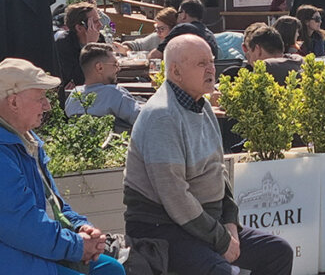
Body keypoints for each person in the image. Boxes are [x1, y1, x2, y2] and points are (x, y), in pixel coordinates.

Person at [124, 34, 294, 275]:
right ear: (176, 71)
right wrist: (222, 240)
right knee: (219, 271)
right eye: (201, 64)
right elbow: (174, 196)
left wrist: (230, 223)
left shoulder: (203, 107)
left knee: (278, 252)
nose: (211, 69)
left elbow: (218, 171)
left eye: (212, 61)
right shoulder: (162, 116)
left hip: (206, 224)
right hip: (163, 229)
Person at [0, 58, 124, 275]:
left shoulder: (22, 137)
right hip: (0, 264)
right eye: (40, 97)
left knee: (111, 269)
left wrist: (81, 228)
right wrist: (77, 246)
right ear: (13, 102)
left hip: (28, 254)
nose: (48, 105)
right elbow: (20, 226)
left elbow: (54, 206)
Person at [66, 43, 143, 131]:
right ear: (100, 68)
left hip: (83, 143)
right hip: (116, 143)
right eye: (115, 64)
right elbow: (143, 120)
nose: (118, 69)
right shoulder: (115, 94)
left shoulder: (74, 96)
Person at [54, 3, 104, 103]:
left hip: (100, 92)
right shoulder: (63, 44)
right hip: (75, 100)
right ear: (79, 28)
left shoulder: (100, 38)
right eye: (95, 21)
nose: (100, 25)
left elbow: (106, 73)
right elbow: (80, 79)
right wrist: (90, 46)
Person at [153, 0, 218, 59]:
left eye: (178, 13)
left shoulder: (182, 28)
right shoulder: (209, 34)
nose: (177, 17)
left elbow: (156, 55)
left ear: (183, 15)